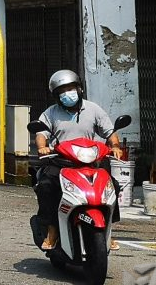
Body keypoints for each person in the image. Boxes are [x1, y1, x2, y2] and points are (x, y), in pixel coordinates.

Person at [34, 69, 124, 251]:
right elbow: (41, 133)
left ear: (79, 88)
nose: (68, 93)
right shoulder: (51, 113)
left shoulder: (93, 109)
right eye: (62, 90)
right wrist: (42, 147)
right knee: (46, 186)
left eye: (71, 88)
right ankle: (52, 231)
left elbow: (110, 132)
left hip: (90, 161)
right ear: (57, 95)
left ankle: (109, 232)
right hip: (62, 162)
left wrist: (114, 146)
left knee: (112, 185)